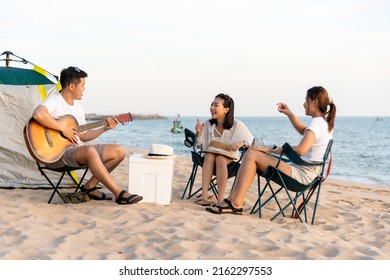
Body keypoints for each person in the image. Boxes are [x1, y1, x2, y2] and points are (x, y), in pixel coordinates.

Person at [206, 86, 336, 215]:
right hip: (309, 173)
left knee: (252, 154)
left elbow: (301, 150)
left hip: (302, 175)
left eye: (306, 100)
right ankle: (232, 201)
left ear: (315, 102)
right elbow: (304, 130)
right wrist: (290, 114)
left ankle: (235, 203)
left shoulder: (316, 124)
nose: (303, 104)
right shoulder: (322, 123)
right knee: (252, 153)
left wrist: (271, 149)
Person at [32, 66, 143, 205]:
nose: (84, 89)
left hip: (76, 152)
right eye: (83, 85)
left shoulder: (78, 108)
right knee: (89, 151)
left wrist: (104, 129)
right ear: (71, 86)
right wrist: (62, 128)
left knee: (118, 151)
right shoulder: (55, 101)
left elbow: (83, 136)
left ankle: (89, 187)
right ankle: (119, 193)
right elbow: (38, 114)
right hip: (56, 155)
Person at [194, 93, 254, 206]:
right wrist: (198, 134)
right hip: (209, 160)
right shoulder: (208, 124)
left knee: (220, 158)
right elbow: (199, 147)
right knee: (210, 155)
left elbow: (254, 142)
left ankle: (220, 199)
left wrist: (242, 142)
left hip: (229, 160)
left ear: (226, 109)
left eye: (216, 105)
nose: (212, 108)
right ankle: (204, 196)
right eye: (211, 104)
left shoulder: (237, 125)